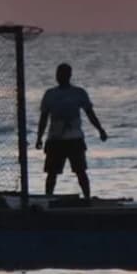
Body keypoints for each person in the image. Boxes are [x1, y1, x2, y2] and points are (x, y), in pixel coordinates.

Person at [35, 62, 108, 200]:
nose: (60, 76)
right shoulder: (50, 94)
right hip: (55, 139)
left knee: (81, 171)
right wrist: (39, 137)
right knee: (51, 173)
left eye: (63, 74)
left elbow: (90, 113)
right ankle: (48, 198)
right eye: (58, 74)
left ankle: (87, 198)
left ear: (69, 75)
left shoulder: (78, 93)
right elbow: (43, 118)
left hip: (74, 139)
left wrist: (100, 130)